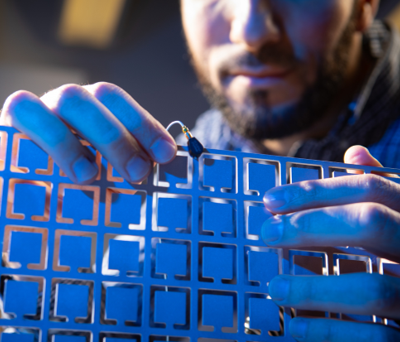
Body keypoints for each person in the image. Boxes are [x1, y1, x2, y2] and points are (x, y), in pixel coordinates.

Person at [1, 0, 400, 340]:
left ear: (364, 5)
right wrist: (22, 260)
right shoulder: (206, 159)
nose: (252, 30)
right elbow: (105, 319)